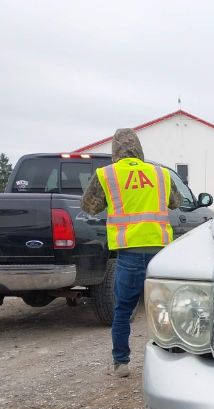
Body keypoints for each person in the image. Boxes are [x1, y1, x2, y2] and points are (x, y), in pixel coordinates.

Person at [81, 129, 181, 377]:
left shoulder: (106, 175)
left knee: (124, 309)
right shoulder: (160, 173)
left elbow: (89, 207)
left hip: (129, 253)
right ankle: (171, 360)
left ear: (115, 150)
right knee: (165, 308)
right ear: (139, 148)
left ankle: (121, 363)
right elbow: (175, 202)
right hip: (161, 252)